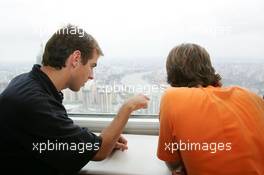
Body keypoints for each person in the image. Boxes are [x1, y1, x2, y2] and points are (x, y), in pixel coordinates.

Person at [0, 24, 149, 175]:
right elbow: (99, 152)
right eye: (92, 66)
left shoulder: (24, 82)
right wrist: (127, 107)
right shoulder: (37, 103)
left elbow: (57, 134)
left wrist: (102, 140)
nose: (92, 75)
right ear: (76, 59)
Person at [157, 43, 264, 175]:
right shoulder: (251, 96)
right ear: (209, 68)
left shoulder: (171, 97)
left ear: (172, 74)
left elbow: (173, 163)